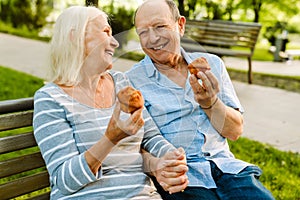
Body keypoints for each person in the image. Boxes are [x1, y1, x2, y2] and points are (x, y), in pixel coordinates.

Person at [33, 5, 188, 199]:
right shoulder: (51, 99)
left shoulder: (120, 83)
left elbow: (150, 136)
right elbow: (64, 180)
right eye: (106, 32)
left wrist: (170, 158)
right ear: (75, 37)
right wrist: (110, 139)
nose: (114, 42)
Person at [125, 0, 275, 199]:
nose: (152, 38)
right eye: (143, 32)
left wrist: (210, 103)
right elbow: (131, 146)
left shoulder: (212, 64)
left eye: (160, 26)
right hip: (181, 176)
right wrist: (157, 168)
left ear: (180, 25)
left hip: (227, 168)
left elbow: (234, 131)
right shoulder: (131, 81)